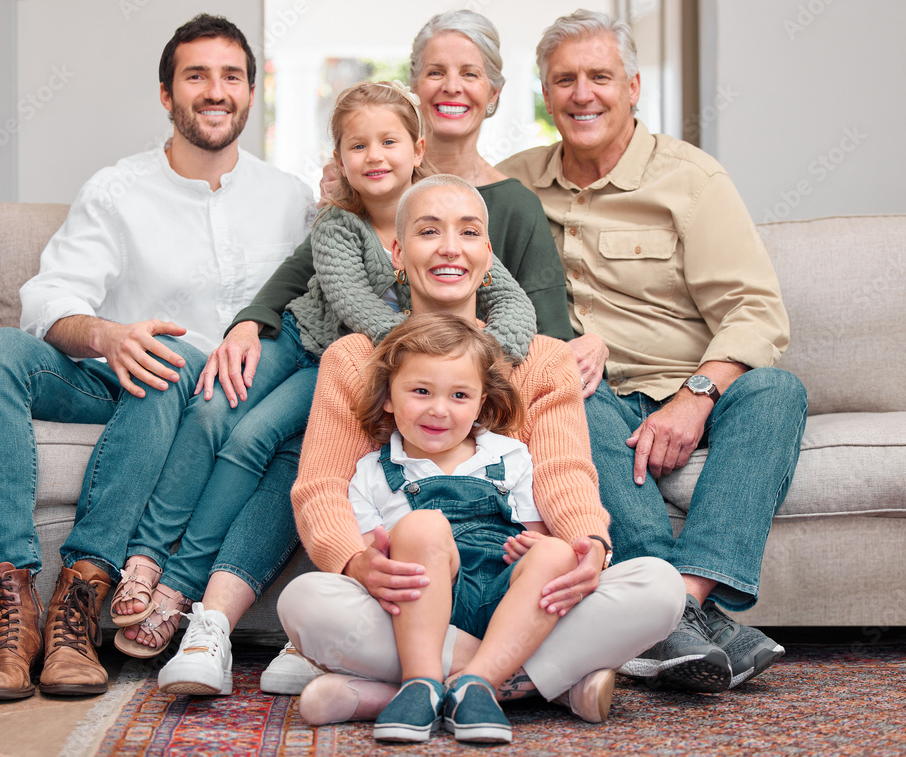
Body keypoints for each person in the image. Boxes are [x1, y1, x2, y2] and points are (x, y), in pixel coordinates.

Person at [110, 80, 537, 660]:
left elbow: (512, 300)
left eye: (389, 142)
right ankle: (147, 558)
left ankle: (186, 590)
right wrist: (431, 350)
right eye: (357, 147)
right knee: (216, 409)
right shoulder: (341, 223)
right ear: (339, 160)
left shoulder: (445, 220)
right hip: (310, 340)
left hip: (345, 363)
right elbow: (353, 306)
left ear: (418, 148)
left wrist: (484, 355)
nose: (375, 157)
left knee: (265, 440)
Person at [0, 13, 314, 700]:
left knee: (167, 367)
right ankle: (8, 604)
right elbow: (48, 298)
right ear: (165, 94)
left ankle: (81, 593)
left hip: (202, 398)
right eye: (197, 75)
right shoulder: (116, 190)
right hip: (108, 378)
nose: (216, 90)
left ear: (250, 91)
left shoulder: (290, 199)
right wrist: (107, 337)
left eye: (231, 76)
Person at [275, 174, 685, 728]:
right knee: (306, 603)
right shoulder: (355, 358)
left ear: (487, 255)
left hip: (509, 583)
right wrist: (354, 560)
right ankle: (535, 684)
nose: (450, 247)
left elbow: (564, 474)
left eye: (468, 232)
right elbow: (321, 485)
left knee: (659, 587)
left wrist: (588, 543)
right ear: (398, 253)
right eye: (428, 231)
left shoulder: (543, 358)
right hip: (413, 590)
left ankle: (417, 686)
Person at [496, 10, 807, 693]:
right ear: (545, 94)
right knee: (568, 396)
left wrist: (695, 396)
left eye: (600, 77)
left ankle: (671, 609)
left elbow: (754, 310)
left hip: (686, 383)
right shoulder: (511, 186)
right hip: (591, 390)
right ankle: (682, 619)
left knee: (780, 391)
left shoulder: (691, 180)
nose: (583, 94)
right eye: (565, 80)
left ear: (633, 86)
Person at [352, 313, 580, 744]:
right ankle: (421, 683)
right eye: (421, 392)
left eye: (460, 395)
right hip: (423, 610)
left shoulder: (509, 455)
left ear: (481, 403)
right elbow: (372, 563)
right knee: (418, 528)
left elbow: (537, 533)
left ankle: (475, 682)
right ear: (387, 397)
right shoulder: (373, 472)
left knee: (559, 555)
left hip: (503, 602)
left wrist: (535, 548)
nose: (439, 409)